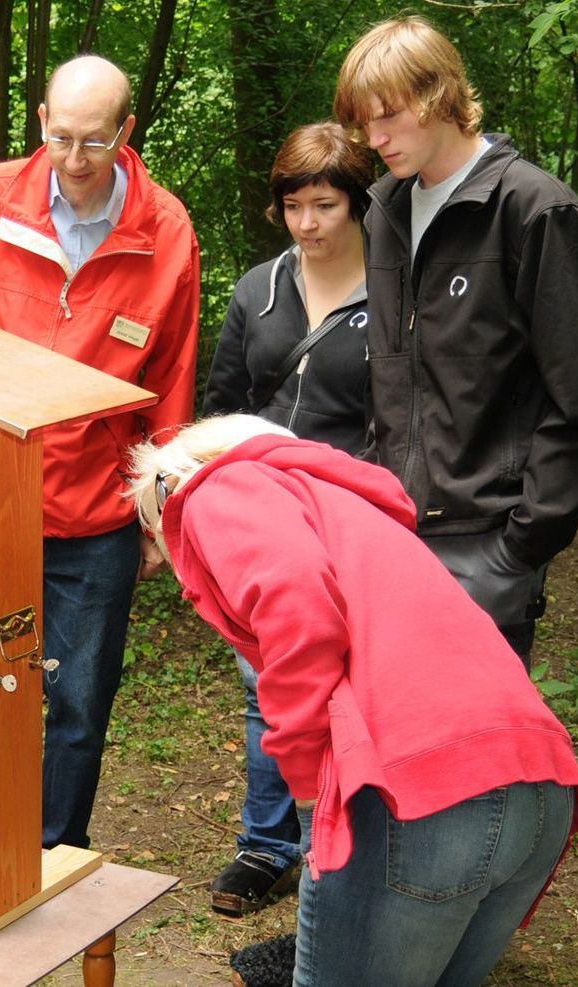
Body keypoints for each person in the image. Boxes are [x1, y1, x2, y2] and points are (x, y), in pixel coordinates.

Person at [127, 414, 578, 986]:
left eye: (153, 533)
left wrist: (306, 785)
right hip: (540, 785)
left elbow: (296, 604)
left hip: (417, 796)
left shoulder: (215, 488)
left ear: (164, 489)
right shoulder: (347, 505)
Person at [0, 54, 200, 850]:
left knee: (77, 701)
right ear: (41, 120)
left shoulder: (166, 229)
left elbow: (172, 377)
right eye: (62, 137)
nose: (74, 161)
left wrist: (158, 512)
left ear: (127, 133)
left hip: (95, 512)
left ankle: (52, 855)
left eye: (95, 143)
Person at [332, 15, 578, 667]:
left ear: (440, 97)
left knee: (485, 763)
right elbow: (391, 380)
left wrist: (520, 545)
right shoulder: (384, 212)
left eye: (389, 116)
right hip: (392, 535)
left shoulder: (534, 210)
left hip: (487, 547)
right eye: (364, 122)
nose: (374, 138)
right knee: (399, 754)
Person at [202, 122, 374, 917]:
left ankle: (348, 848)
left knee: (356, 679)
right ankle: (266, 846)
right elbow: (224, 404)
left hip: (357, 511)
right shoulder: (258, 290)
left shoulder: (398, 290)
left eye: (326, 204)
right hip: (267, 511)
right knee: (267, 681)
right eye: (294, 205)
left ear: (358, 202)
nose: (309, 223)